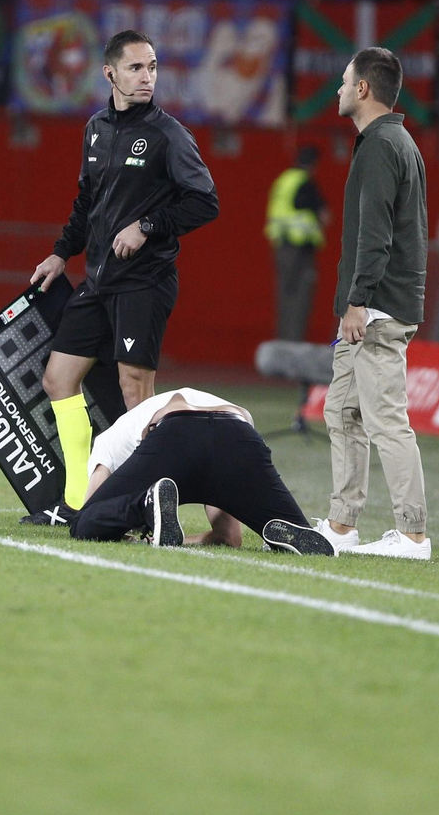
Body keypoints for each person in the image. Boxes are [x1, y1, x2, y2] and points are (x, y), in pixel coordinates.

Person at [26, 29, 219, 524]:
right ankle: (76, 503)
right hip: (98, 281)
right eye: (136, 68)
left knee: (136, 394)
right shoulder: (95, 128)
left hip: (145, 281)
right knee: (58, 379)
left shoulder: (168, 133)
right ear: (109, 73)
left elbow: (204, 201)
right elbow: (86, 202)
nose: (147, 77)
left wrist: (147, 226)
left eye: (152, 67)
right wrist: (60, 254)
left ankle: (138, 508)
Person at [314, 47, 431, 560]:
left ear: (363, 89)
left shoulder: (383, 145)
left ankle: (412, 535)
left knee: (384, 419)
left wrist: (358, 302)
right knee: (341, 412)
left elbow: (376, 237)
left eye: (344, 82)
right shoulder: (390, 141)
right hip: (366, 307)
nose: (339, 90)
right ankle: (341, 526)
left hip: (376, 309)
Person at [72, 388, 335, 555]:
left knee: (84, 524)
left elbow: (90, 510)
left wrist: (126, 524)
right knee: (289, 526)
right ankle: (288, 528)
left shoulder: (107, 442)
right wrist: (182, 540)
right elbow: (229, 538)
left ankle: (145, 503)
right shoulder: (206, 403)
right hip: (239, 434)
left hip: (176, 433)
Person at [265, 145, 329, 341]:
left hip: (281, 246)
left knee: (284, 296)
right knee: (300, 299)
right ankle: (293, 346)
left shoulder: (283, 180)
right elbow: (324, 215)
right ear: (313, 164)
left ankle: (282, 343)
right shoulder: (305, 183)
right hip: (300, 249)